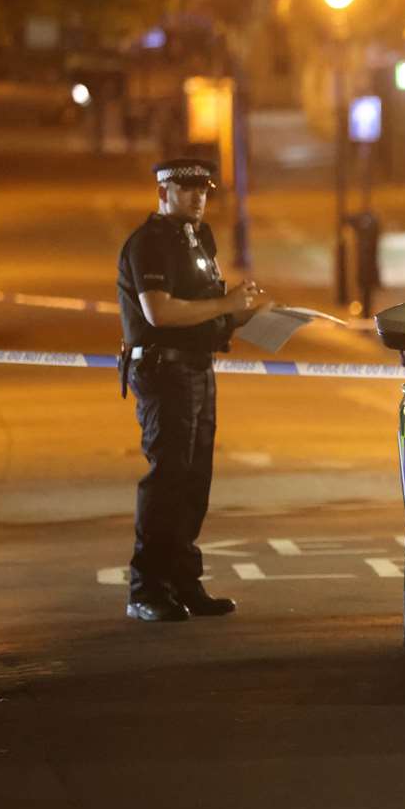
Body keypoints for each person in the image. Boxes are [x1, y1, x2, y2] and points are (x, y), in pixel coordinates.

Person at [115, 158, 272, 622]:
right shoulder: (149, 243)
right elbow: (158, 313)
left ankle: (184, 580)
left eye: (203, 189)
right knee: (167, 480)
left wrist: (245, 312)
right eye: (187, 190)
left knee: (194, 480)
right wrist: (225, 304)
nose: (198, 197)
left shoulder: (200, 238)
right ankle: (146, 588)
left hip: (199, 369)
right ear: (162, 192)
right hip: (165, 374)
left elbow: (205, 308)